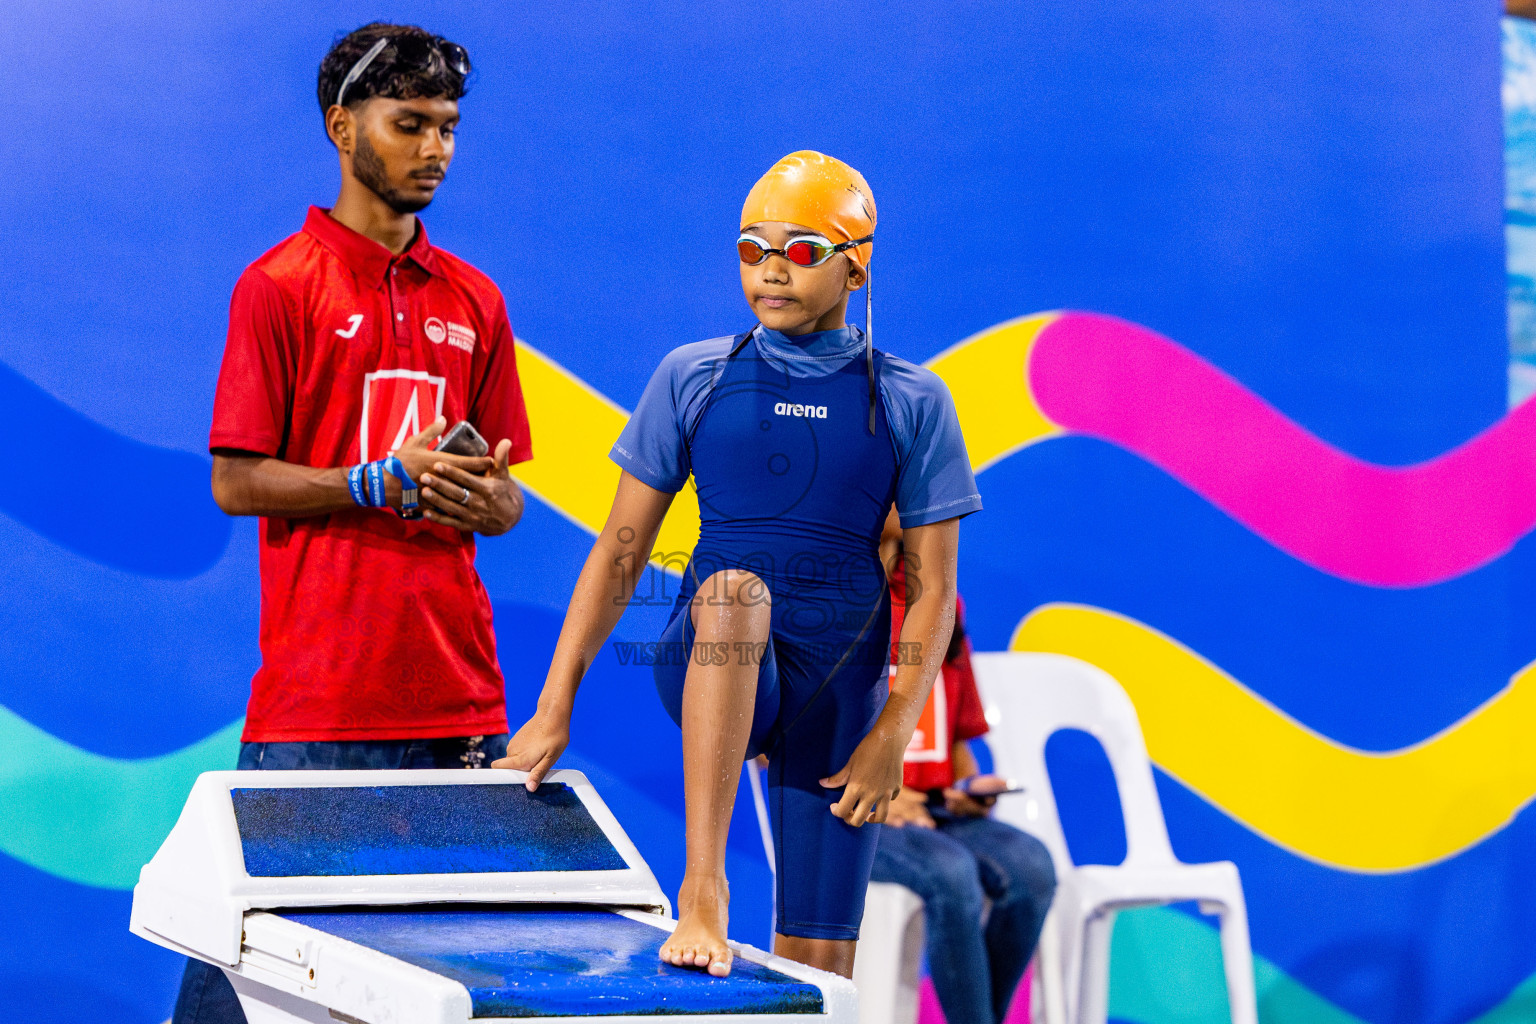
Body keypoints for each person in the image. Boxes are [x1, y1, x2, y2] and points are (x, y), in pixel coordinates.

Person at [496, 151, 981, 979]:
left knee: (821, 966)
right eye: (752, 249)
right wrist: (553, 706)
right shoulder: (694, 376)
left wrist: (894, 733)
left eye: (800, 251)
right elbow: (620, 552)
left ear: (856, 265)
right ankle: (705, 886)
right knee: (732, 591)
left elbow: (935, 588)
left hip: (839, 681)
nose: (770, 271)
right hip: (711, 654)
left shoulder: (911, 400)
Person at [175, 23, 532, 1024]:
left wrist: (483, 499)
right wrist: (374, 481)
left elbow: (507, 496)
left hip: (458, 707)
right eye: (409, 123)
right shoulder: (278, 287)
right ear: (343, 127)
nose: (435, 149)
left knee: (443, 999)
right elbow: (236, 482)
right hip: (317, 713)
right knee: (233, 997)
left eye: (449, 128)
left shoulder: (478, 301)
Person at [871, 513, 1057, 1024]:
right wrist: (880, 792)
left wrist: (967, 789)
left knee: (1033, 866)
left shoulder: (943, 605)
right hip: (854, 809)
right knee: (952, 872)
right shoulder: (834, 601)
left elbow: (954, 735)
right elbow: (783, 737)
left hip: (935, 809)